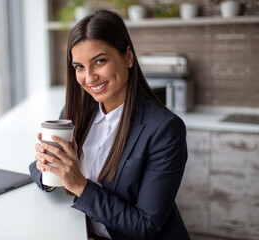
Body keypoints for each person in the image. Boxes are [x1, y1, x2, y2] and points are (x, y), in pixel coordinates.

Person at [29, 10, 190, 240]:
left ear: (128, 57)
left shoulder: (165, 129)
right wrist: (48, 167)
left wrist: (79, 185)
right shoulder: (74, 113)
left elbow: (146, 226)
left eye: (100, 62)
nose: (89, 77)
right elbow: (36, 168)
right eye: (79, 67)